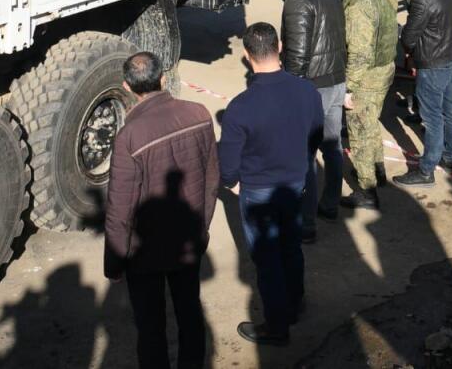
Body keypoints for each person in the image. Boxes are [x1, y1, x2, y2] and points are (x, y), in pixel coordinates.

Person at [104, 52, 219, 369]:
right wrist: (202, 227)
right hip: (188, 240)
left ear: (127, 87)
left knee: (151, 326)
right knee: (189, 311)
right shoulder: (199, 113)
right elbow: (212, 180)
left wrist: (114, 263)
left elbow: (120, 209)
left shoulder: (129, 136)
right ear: (164, 78)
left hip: (145, 254)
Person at [218, 22, 325, 346]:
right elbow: (316, 135)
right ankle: (295, 303)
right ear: (280, 48)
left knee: (267, 259)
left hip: (258, 191)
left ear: (248, 56)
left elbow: (228, 161)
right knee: (291, 246)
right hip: (294, 182)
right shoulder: (307, 91)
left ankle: (276, 326)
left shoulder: (240, 107)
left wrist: (232, 183)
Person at [277, 0, 347, 239]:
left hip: (312, 86)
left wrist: (290, 90)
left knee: (304, 155)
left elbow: (297, 53)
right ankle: (330, 204)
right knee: (332, 145)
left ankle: (306, 224)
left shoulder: (297, 1)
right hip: (336, 78)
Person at [327, 0, 398, 209]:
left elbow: (359, 54)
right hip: (384, 69)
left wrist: (348, 88)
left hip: (366, 77)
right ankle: (378, 172)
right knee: (371, 123)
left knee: (358, 131)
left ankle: (367, 190)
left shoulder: (359, 6)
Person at [394, 0, 452, 186]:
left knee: (432, 117)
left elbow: (410, 37)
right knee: (451, 109)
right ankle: (449, 157)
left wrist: (407, 50)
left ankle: (426, 170)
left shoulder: (423, 0)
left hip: (433, 64)